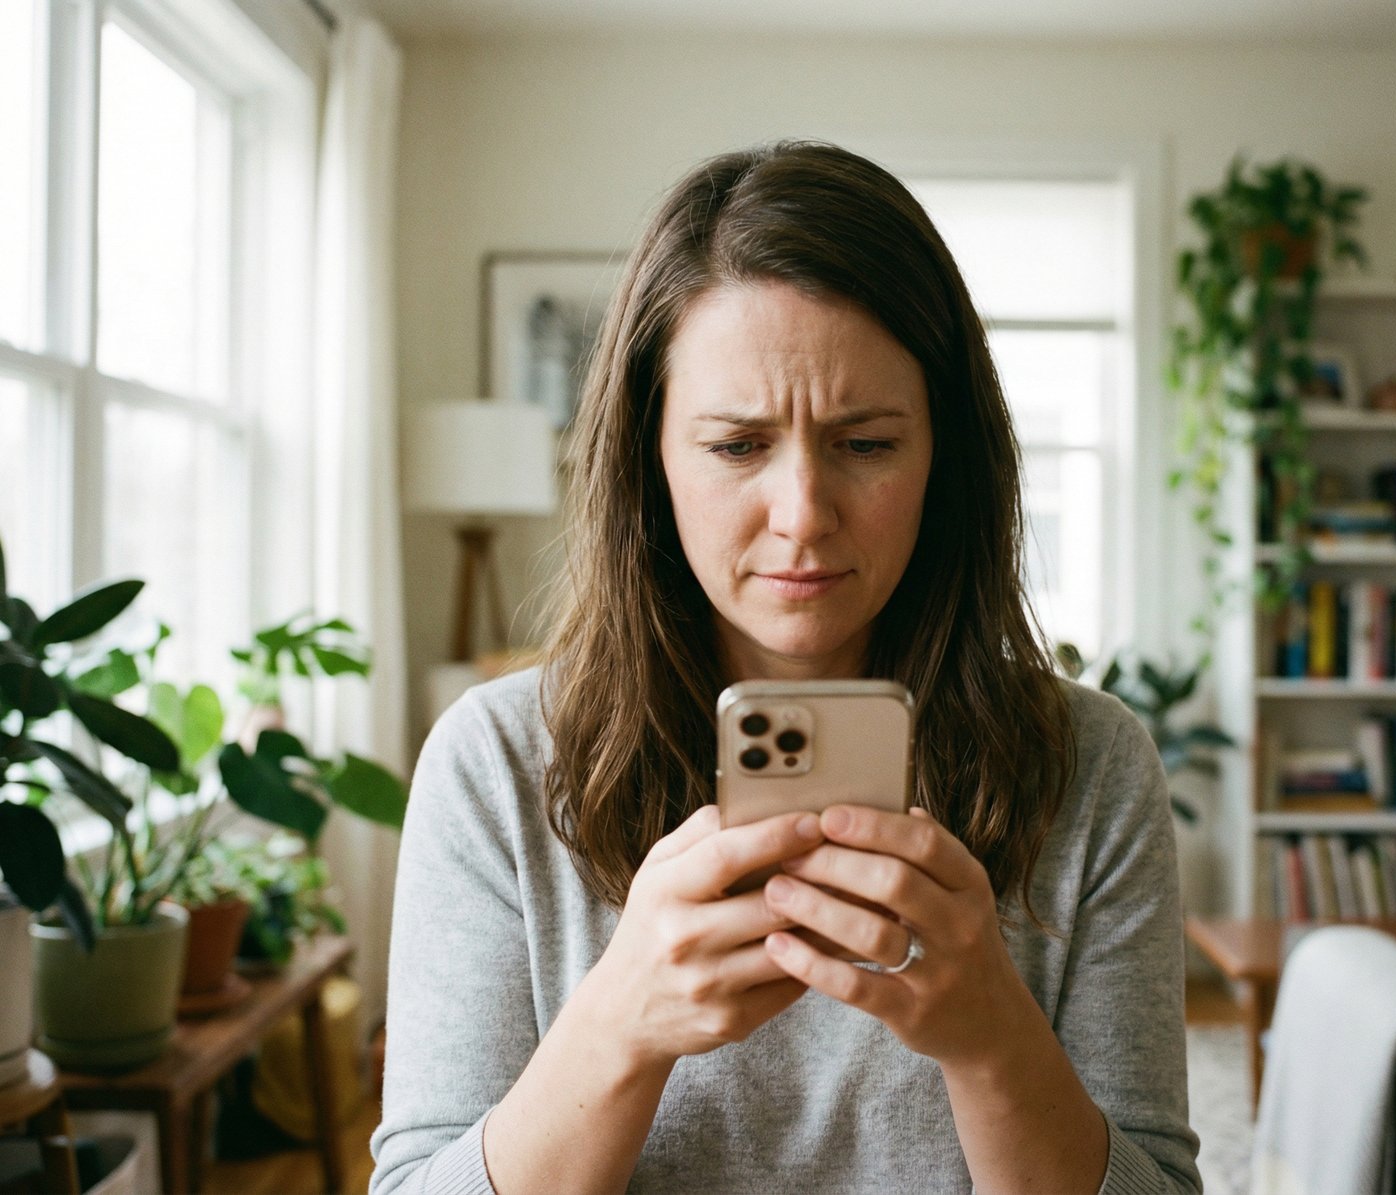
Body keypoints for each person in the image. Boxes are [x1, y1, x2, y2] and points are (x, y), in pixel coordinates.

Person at [371, 141, 1200, 1195]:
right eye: (735, 446)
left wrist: (993, 1040)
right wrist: (617, 1028)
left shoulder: (1088, 764)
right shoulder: (494, 766)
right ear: (648, 458)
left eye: (866, 443)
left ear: (945, 454)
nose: (803, 515)